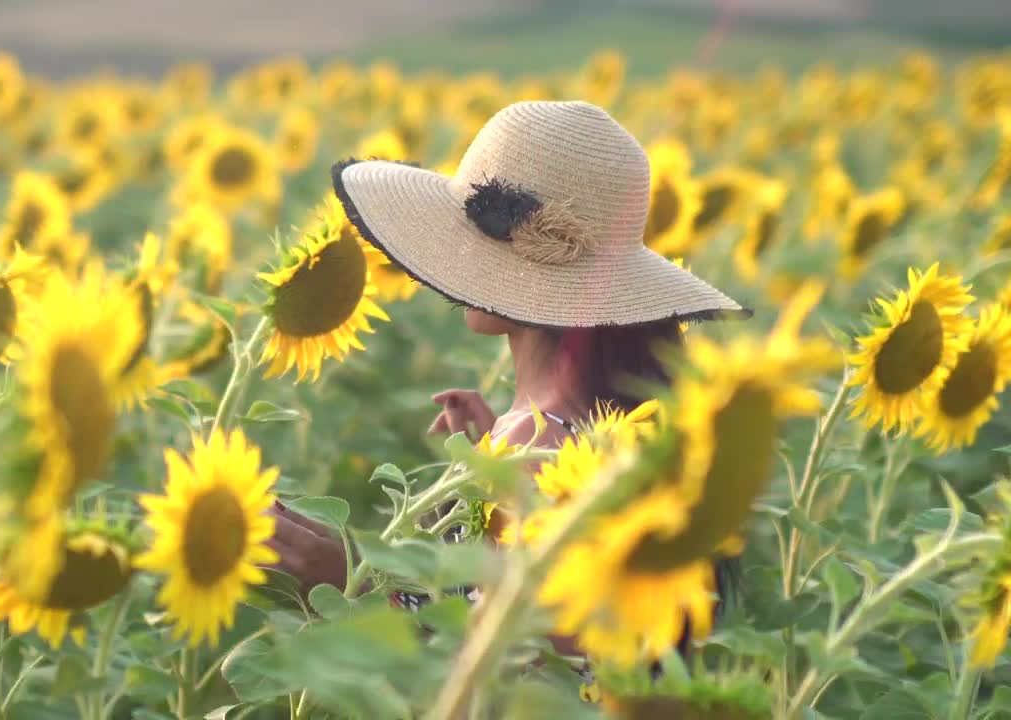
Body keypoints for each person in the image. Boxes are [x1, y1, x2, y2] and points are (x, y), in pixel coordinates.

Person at [264, 101, 745, 648]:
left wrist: (340, 580)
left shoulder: (539, 445)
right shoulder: (601, 430)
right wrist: (477, 497)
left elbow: (518, 664)